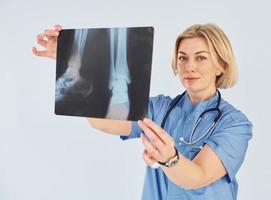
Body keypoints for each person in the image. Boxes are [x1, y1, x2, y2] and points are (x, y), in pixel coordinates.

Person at [32, 23, 252, 200]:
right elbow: (103, 122)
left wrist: (169, 158)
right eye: (182, 57)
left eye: (201, 57)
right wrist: (69, 59)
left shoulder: (234, 124)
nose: (189, 66)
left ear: (221, 65)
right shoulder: (160, 109)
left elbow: (198, 176)